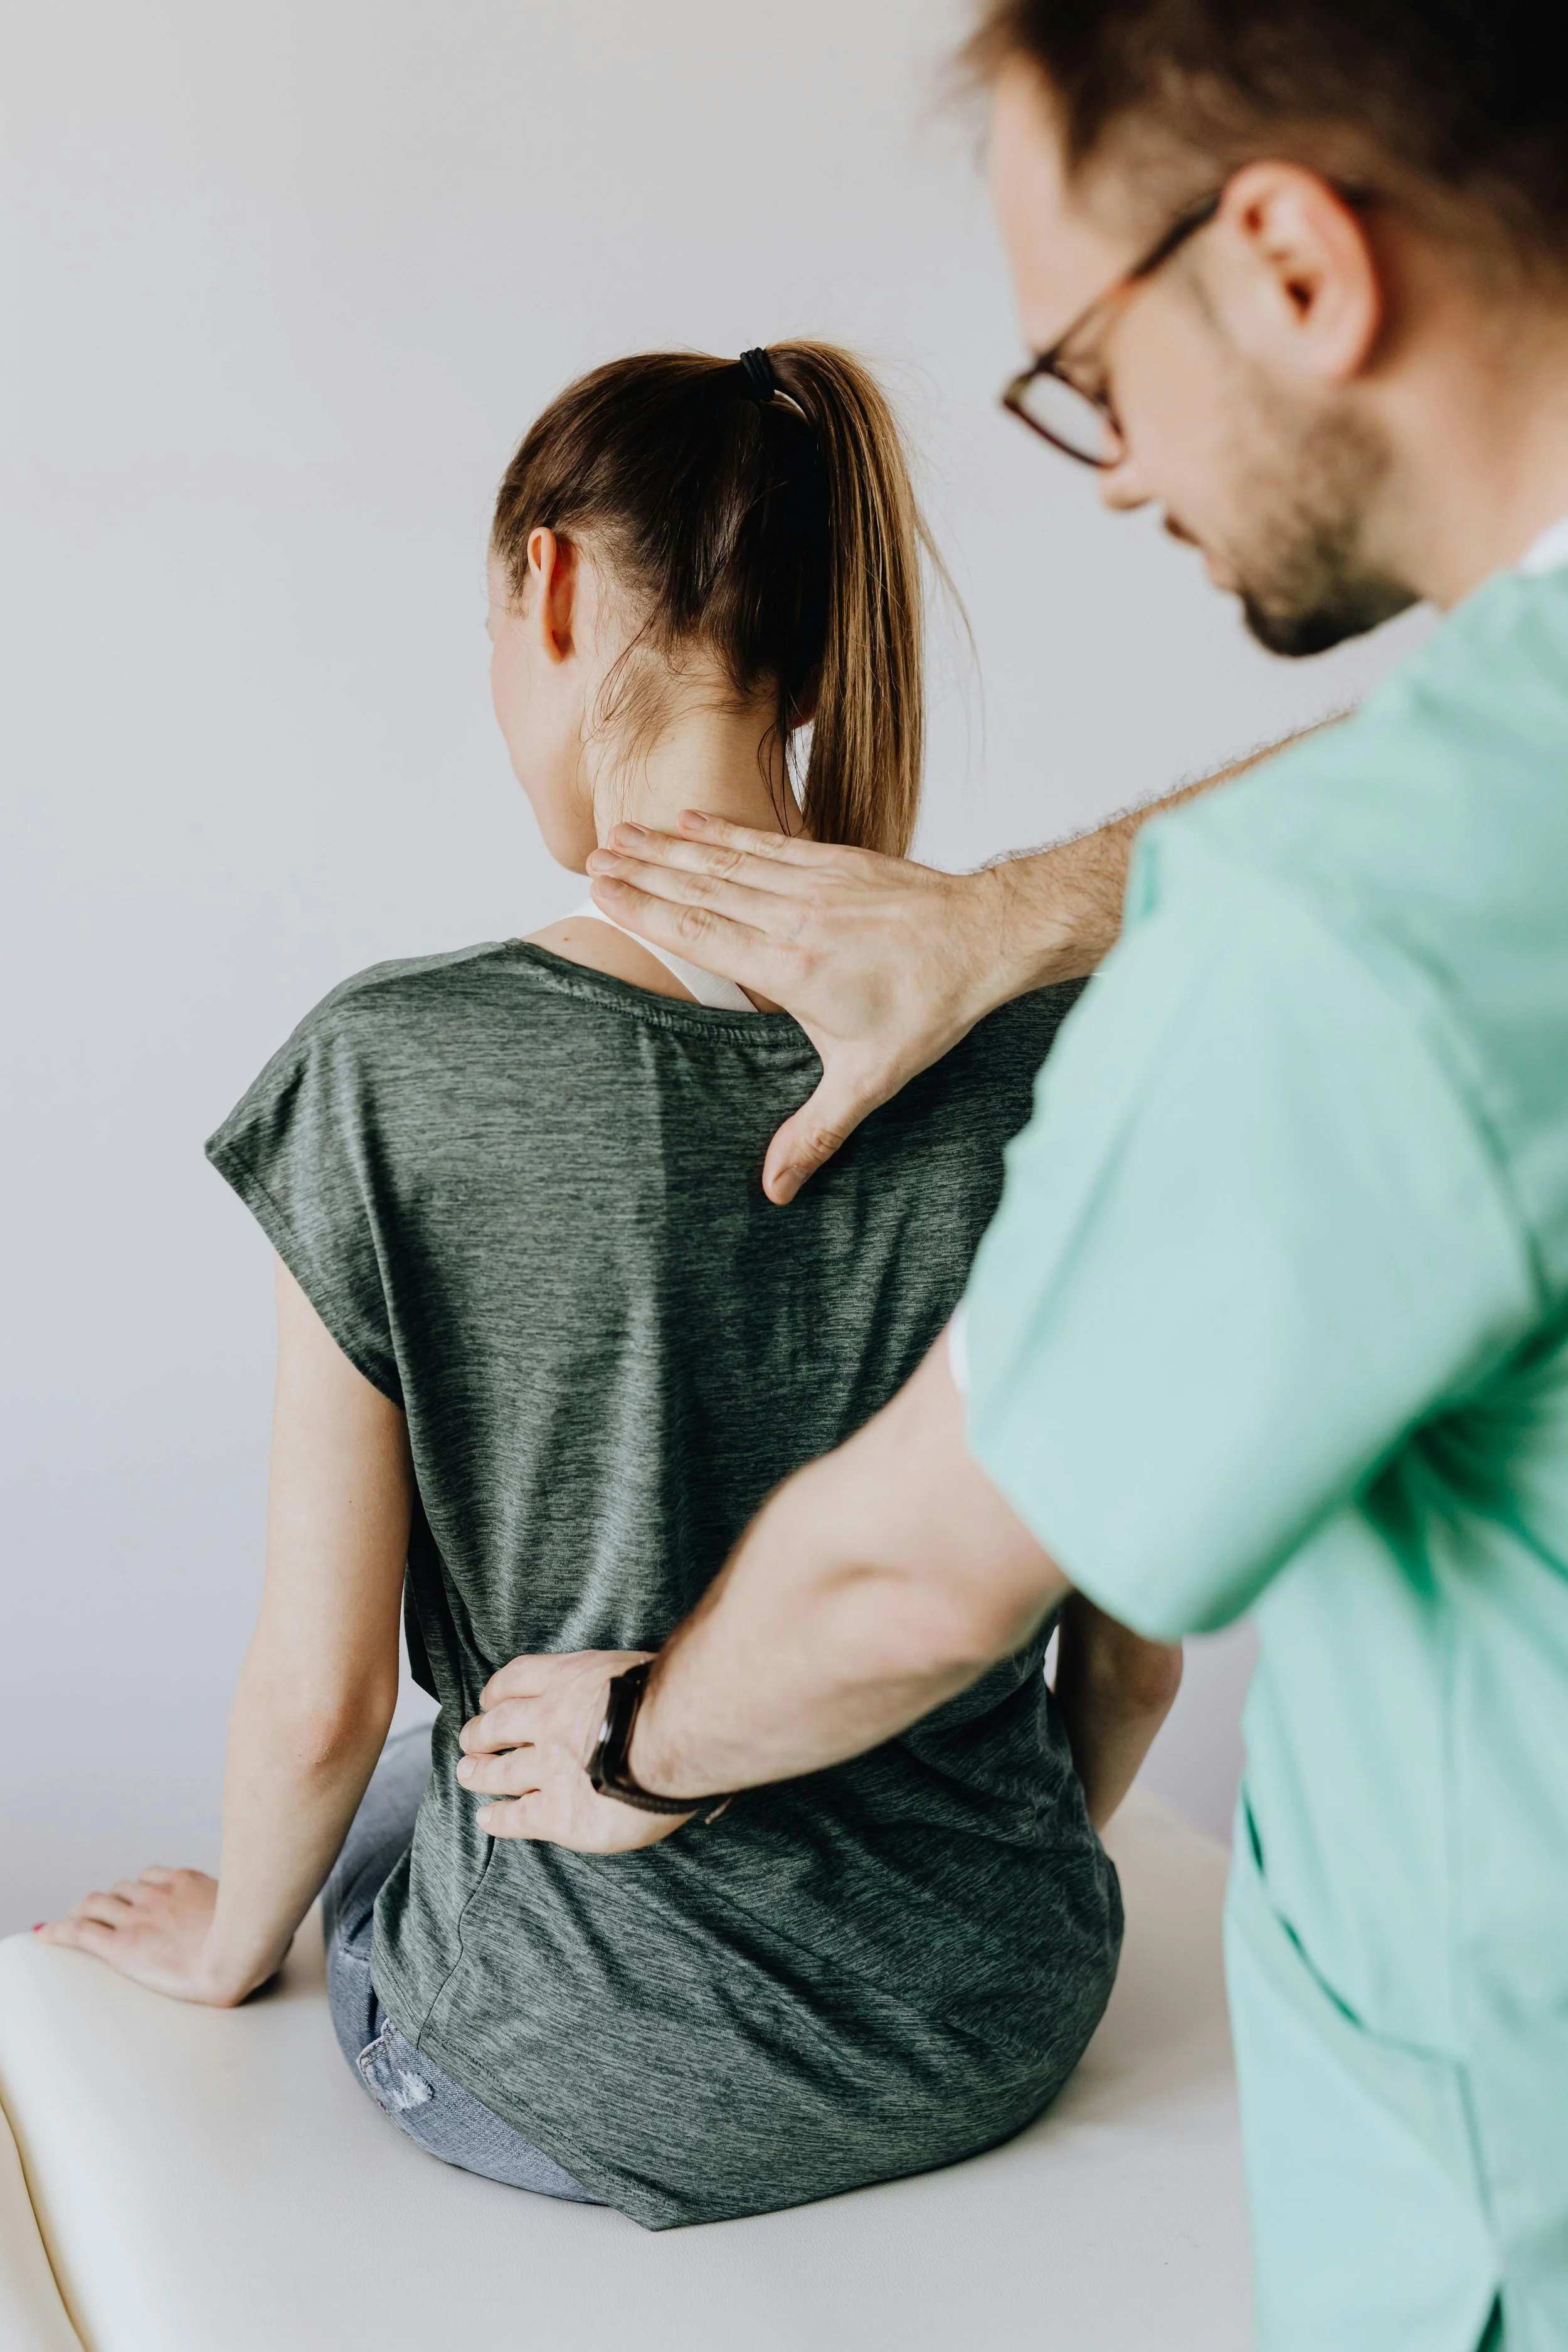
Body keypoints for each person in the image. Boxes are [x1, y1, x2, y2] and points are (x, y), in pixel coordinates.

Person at [455, 3, 1568, 2344]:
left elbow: (916, 1576)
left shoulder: (1343, 939)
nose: (1109, 469)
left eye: (1088, 364)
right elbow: (1122, 1690)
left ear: (1287, 261)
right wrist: (1015, 922)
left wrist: (640, 1735)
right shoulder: (1378, 872)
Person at [38, 340, 1184, 2229]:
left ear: (549, 586)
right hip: (998, 2006)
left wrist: (232, 1943)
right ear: (823, 645)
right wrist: (972, 1887)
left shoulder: (394, 1066)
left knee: (403, 1798)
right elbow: (1126, 1657)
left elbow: (320, 1698)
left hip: (585, 2066)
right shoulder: (1048, 1038)